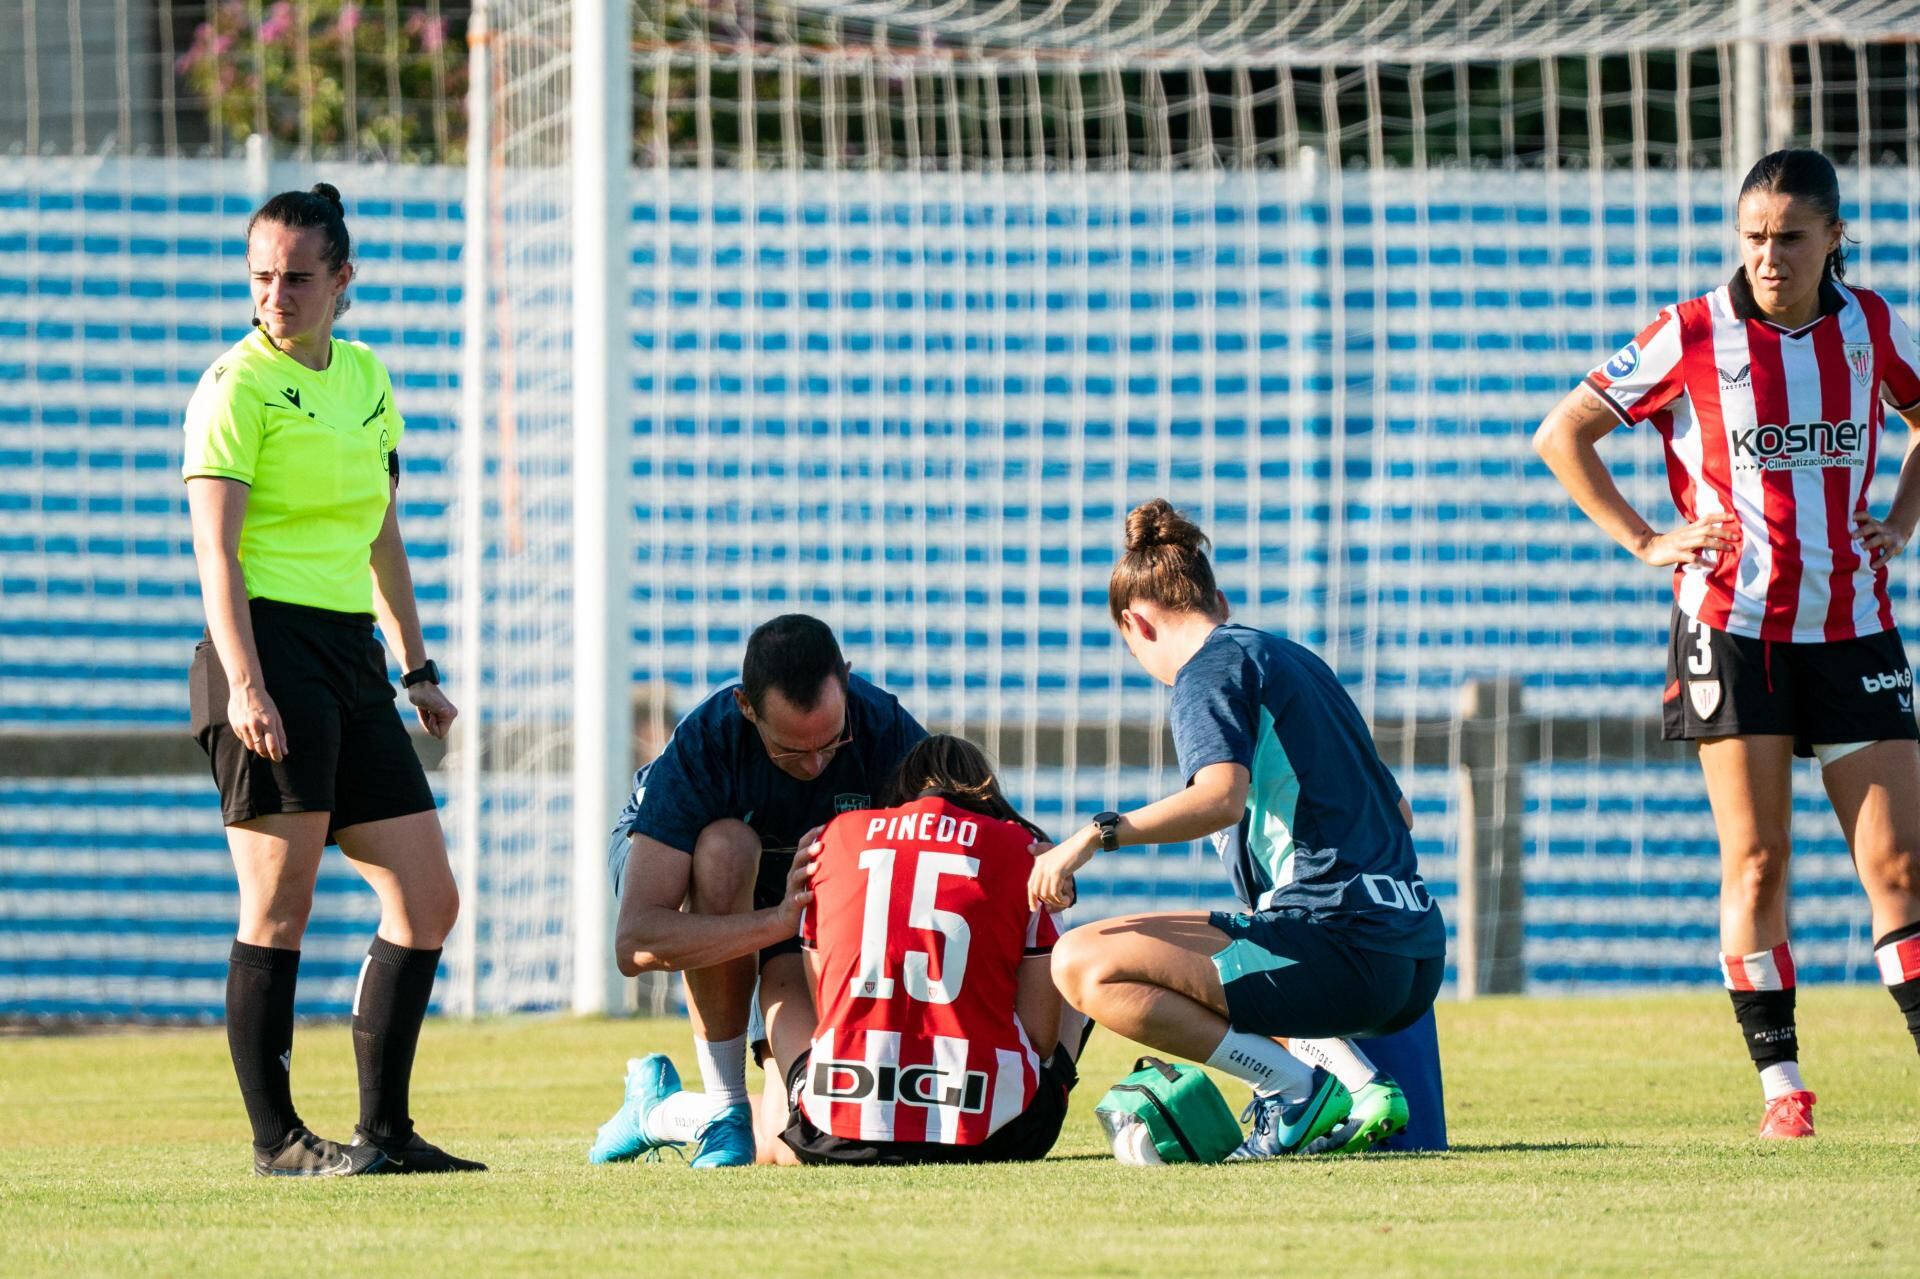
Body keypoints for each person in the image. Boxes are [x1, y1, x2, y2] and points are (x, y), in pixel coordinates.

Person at [1533, 148, 1920, 1139]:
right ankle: (1783, 1088)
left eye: (1790, 236)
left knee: (1904, 867)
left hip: (1853, 624)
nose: (1769, 255)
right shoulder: (1690, 332)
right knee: (1756, 859)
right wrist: (1646, 540)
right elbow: (1562, 432)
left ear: (1835, 237)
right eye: (1753, 236)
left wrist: (1903, 519)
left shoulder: (1873, 325)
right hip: (1729, 627)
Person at [183, 183, 481, 1176]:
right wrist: (245, 684)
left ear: (342, 282)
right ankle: (277, 1141)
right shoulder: (234, 389)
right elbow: (217, 556)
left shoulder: (364, 377)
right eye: (262, 276)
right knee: (279, 904)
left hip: (352, 657)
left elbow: (381, 530)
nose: (276, 295)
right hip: (266, 651)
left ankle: (383, 1133)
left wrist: (416, 665)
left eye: (298, 278)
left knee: (427, 898)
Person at [1029, 500, 1446, 1160]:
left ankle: (1294, 1092)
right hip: (1415, 951)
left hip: (1339, 949)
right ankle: (1351, 1081)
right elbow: (1399, 813)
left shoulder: (1208, 669)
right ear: (1216, 596)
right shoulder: (1300, 662)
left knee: (1081, 961)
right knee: (1239, 935)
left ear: (1135, 622)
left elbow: (1219, 798)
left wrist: (1092, 837)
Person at [606, 735, 1081, 1166]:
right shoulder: (1026, 853)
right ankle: (668, 1113)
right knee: (1076, 956)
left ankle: (668, 1114)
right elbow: (1040, 1038)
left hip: (841, 1128)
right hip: (998, 1135)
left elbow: (828, 1006)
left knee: (782, 974)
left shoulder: (833, 838)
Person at [589, 614, 928, 1167]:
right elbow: (637, 944)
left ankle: (662, 1111)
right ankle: (723, 1105)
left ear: (846, 680)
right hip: (722, 881)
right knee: (726, 847)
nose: (817, 765)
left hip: (797, 912)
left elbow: (954, 837)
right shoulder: (705, 745)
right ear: (747, 708)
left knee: (790, 1139)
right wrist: (775, 923)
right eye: (792, 751)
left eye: (832, 742)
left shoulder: (882, 724)